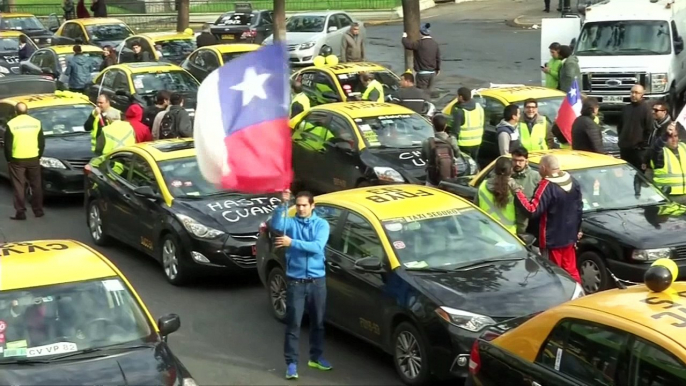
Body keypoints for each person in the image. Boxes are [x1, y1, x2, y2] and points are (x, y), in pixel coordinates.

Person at [270, 189, 331, 380]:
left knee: (318, 323)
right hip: (296, 282)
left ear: (312, 206)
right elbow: (276, 224)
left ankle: (316, 357)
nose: (301, 208)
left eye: (305, 205)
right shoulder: (290, 222)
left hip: (317, 282)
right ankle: (291, 364)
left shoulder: (322, 224)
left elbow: (317, 247)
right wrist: (283, 204)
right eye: (298, 205)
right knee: (294, 324)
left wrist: (292, 242)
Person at [511, 155, 583, 282]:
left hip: (551, 239)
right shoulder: (573, 181)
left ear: (544, 168)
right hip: (570, 237)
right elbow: (579, 209)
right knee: (571, 272)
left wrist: (517, 192)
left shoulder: (547, 185)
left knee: (554, 273)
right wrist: (577, 231)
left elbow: (532, 210)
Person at [4, 103, 44, 220]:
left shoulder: (11, 124)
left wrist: (9, 159)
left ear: (16, 112)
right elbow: (41, 142)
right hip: (33, 158)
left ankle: (20, 212)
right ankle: (38, 211)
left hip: (17, 160)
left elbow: (7, 145)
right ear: (27, 111)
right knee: (36, 185)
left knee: (19, 186)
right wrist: (38, 155)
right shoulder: (36, 123)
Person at [474, 157, 517, 234]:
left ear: (495, 170)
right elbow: (521, 213)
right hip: (509, 235)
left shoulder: (483, 185)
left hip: (486, 233)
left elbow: (476, 209)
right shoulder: (514, 188)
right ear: (511, 170)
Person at [618, 84, 652, 171]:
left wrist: (642, 146)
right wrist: (621, 140)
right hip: (625, 149)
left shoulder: (646, 109)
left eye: (636, 93)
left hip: (638, 151)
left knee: (638, 175)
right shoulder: (626, 108)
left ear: (642, 94)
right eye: (632, 92)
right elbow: (620, 126)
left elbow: (649, 129)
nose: (633, 95)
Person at [649, 123, 686, 204]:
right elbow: (656, 147)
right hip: (668, 197)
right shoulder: (661, 152)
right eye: (670, 137)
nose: (674, 139)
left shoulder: (683, 147)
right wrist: (666, 134)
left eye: (675, 136)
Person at [401, 23, 440, 93]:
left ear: (421, 33)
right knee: (428, 92)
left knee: (421, 92)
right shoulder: (435, 44)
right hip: (432, 73)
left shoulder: (419, 43)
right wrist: (438, 69)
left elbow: (408, 45)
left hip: (422, 73)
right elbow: (438, 58)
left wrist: (404, 37)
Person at [510, 147, 541, 235]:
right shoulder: (505, 176)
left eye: (521, 161)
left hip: (527, 228)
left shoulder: (536, 177)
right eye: (514, 160)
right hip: (506, 226)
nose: (517, 163)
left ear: (526, 161)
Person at [421, 114, 458, 187]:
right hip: (449, 175)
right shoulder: (452, 140)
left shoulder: (428, 142)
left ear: (433, 126)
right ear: (445, 126)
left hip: (432, 177)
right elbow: (457, 155)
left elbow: (423, 157)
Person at [450, 87, 484, 160]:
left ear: (461, 97)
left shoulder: (459, 111)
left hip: (463, 145)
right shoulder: (479, 107)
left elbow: (455, 131)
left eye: (457, 96)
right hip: (477, 142)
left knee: (465, 165)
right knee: (474, 162)